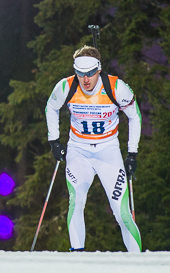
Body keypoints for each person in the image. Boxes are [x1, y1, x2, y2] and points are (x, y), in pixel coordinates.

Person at [45, 45, 142, 252]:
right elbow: (51, 107)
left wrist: (132, 153)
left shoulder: (116, 87)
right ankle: (77, 257)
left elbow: (135, 116)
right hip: (78, 151)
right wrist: (54, 141)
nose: (85, 79)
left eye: (89, 74)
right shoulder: (66, 87)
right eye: (80, 74)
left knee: (122, 212)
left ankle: (138, 262)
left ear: (98, 69)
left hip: (108, 152)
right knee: (76, 201)